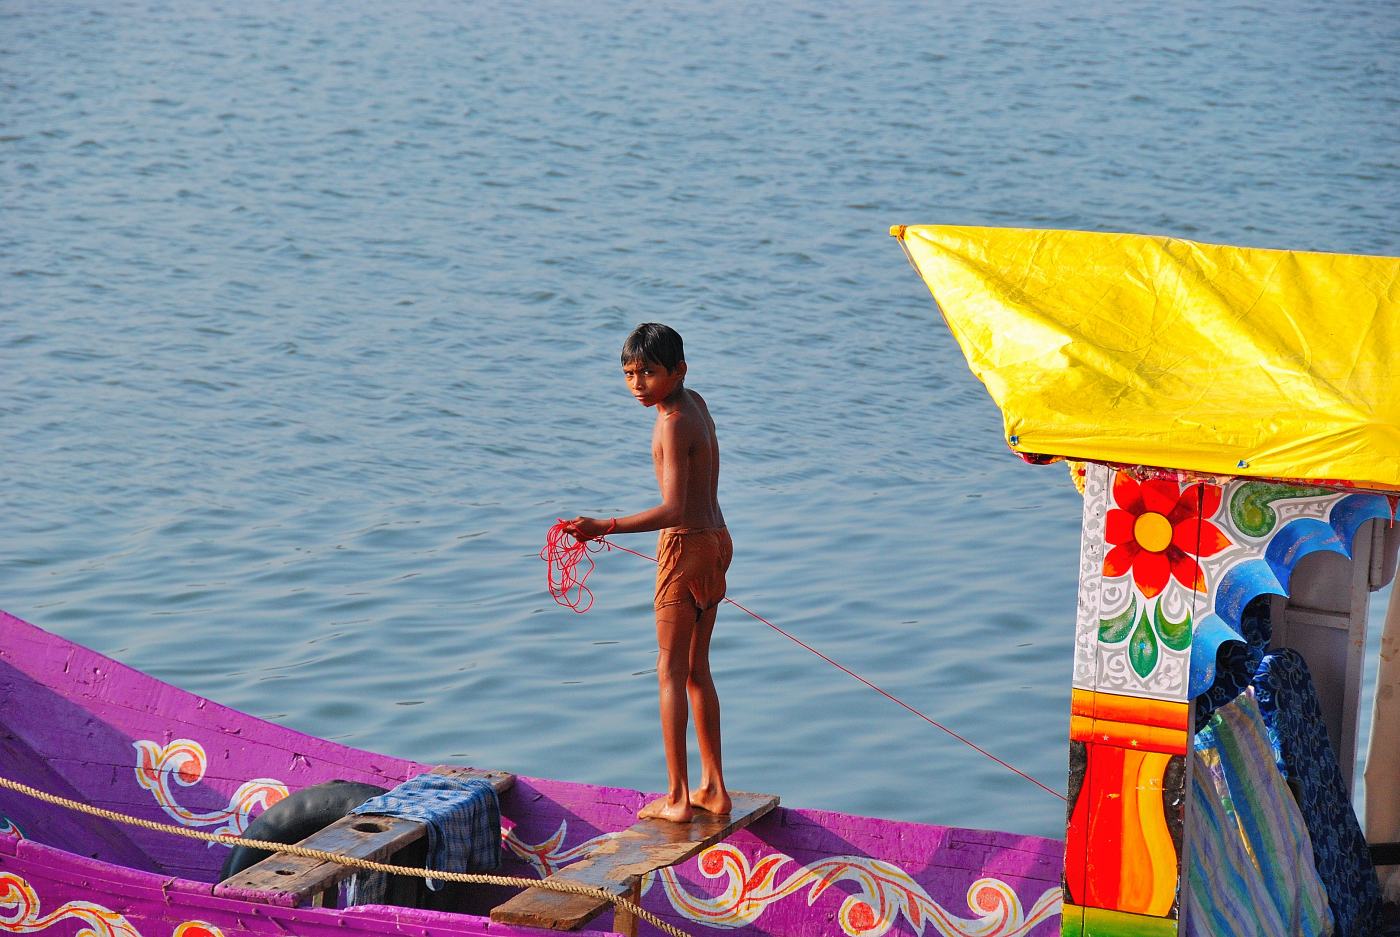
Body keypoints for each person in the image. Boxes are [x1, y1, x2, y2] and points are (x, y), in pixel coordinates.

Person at [566, 323, 732, 822]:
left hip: (685, 548)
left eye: (650, 373)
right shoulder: (694, 404)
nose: (638, 383)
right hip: (717, 542)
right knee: (697, 669)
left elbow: (674, 508)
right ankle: (713, 789)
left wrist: (604, 526)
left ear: (679, 371)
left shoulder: (671, 423)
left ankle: (678, 798)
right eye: (629, 373)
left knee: (669, 672)